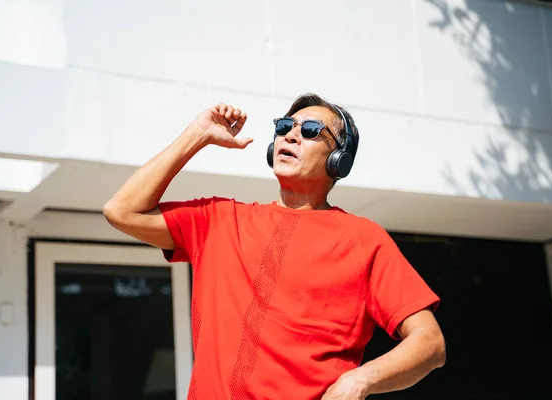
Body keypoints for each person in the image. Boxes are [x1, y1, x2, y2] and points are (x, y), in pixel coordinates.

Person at [104, 93, 446, 399]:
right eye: (284, 126)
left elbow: (429, 343)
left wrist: (359, 381)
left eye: (310, 130)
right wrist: (198, 135)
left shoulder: (363, 239)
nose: (290, 134)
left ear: (339, 158)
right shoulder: (220, 221)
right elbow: (122, 211)